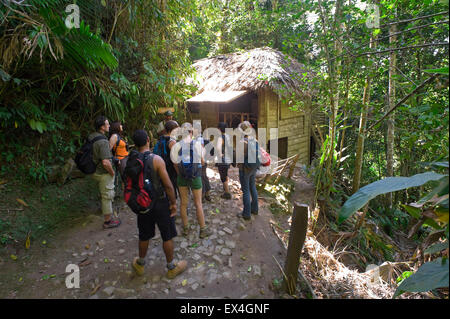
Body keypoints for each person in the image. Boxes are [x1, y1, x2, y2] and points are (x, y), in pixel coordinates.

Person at [130, 129, 187, 279]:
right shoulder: (156, 160)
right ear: (148, 140)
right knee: (166, 235)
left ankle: (140, 264)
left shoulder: (131, 160)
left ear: (134, 144)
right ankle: (171, 267)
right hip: (160, 203)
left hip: (143, 203)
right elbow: (168, 185)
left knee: (144, 235)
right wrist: (173, 203)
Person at [172, 123, 210, 238]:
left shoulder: (176, 146)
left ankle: (186, 229)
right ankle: (203, 230)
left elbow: (175, 163)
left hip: (182, 178)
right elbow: (202, 162)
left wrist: (180, 174)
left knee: (183, 204)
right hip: (196, 177)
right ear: (191, 132)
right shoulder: (197, 144)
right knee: (198, 203)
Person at [89, 115, 121, 229]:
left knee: (104, 194)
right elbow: (105, 163)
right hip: (102, 172)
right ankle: (108, 221)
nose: (109, 126)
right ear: (102, 127)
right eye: (107, 124)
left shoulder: (92, 136)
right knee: (107, 196)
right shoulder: (102, 141)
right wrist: (112, 173)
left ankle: (104, 211)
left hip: (93, 170)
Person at [236, 121, 260, 221]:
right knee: (252, 187)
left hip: (244, 169)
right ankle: (254, 209)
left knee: (245, 191)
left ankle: (246, 214)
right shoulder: (255, 140)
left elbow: (239, 157)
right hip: (253, 167)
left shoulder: (242, 142)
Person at [153, 120, 179, 198]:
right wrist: (180, 173)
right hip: (171, 170)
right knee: (172, 192)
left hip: (161, 167)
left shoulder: (161, 139)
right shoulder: (172, 142)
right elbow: (175, 162)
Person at [109, 121, 129, 197]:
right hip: (121, 159)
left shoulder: (118, 136)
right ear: (116, 127)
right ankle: (126, 195)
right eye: (120, 125)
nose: (122, 126)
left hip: (125, 158)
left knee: (126, 177)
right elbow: (108, 149)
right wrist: (114, 159)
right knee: (125, 177)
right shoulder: (114, 136)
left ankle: (126, 194)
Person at [216, 122, 232, 200]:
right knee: (225, 174)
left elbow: (218, 148)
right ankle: (225, 188)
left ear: (219, 129)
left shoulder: (220, 137)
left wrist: (220, 155)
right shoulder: (228, 136)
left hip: (223, 160)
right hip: (228, 158)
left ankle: (227, 193)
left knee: (223, 176)